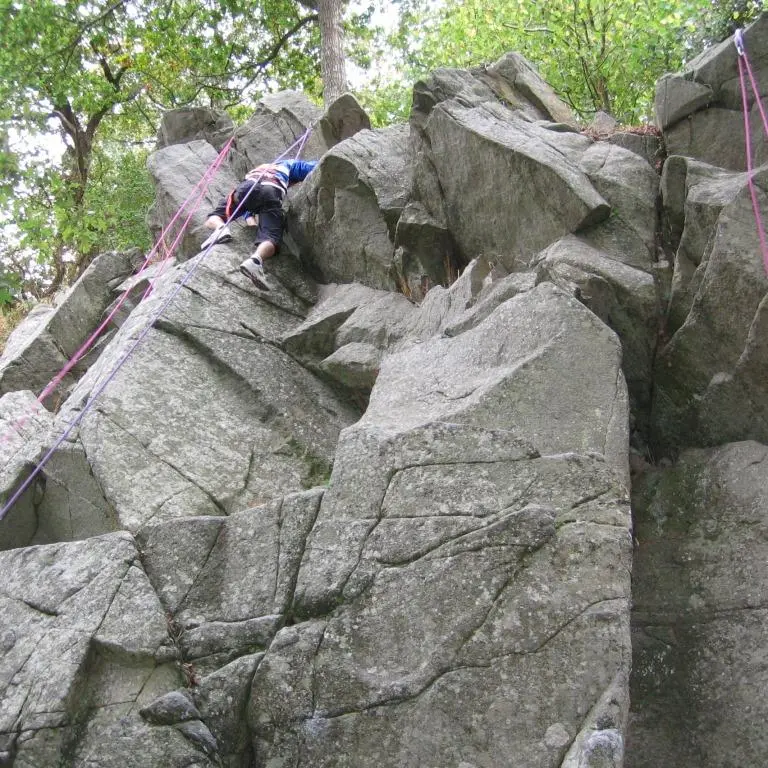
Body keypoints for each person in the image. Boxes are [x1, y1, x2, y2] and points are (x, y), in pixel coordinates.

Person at [201, 158, 318, 291]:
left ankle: (220, 227)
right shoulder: (289, 164)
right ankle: (256, 260)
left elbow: (249, 210)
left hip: (246, 187)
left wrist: (254, 225)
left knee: (214, 217)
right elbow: (315, 167)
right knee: (271, 238)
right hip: (271, 191)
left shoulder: (261, 167)